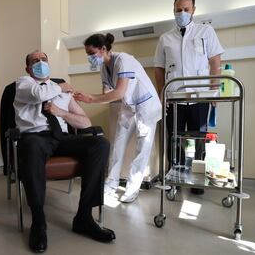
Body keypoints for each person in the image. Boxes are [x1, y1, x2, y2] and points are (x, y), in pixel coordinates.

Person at [14, 50, 116, 253]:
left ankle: (84, 217)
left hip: (61, 137)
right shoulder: (24, 84)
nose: (40, 63)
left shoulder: (64, 93)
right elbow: (39, 94)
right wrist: (59, 87)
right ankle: (38, 222)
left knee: (100, 144)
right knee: (32, 146)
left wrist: (60, 111)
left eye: (44, 59)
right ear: (28, 68)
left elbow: (85, 122)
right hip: (35, 137)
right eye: (35, 61)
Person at [74, 33, 161, 203]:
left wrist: (90, 98)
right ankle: (111, 183)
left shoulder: (123, 60)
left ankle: (132, 188)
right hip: (129, 106)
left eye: (92, 54)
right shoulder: (103, 68)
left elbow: (119, 92)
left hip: (146, 105)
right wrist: (87, 98)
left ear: (103, 49)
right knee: (117, 144)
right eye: (88, 55)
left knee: (142, 149)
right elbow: (108, 95)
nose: (90, 58)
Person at [154, 0, 224, 194]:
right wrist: (162, 93)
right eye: (178, 9)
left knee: (198, 139)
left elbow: (215, 61)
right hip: (174, 99)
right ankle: (173, 178)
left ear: (193, 10)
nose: (182, 12)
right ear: (174, 10)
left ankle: (197, 180)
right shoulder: (165, 38)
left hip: (200, 97)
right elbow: (158, 68)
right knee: (173, 138)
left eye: (186, 9)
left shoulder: (205, 31)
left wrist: (214, 91)